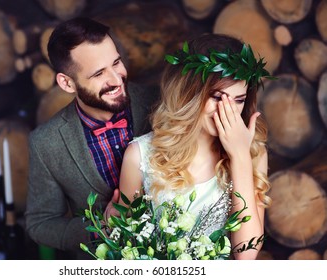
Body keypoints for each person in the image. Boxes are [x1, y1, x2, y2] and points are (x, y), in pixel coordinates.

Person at [117, 33, 273, 260]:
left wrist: (239, 156)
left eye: (238, 100)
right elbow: (126, 244)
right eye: (218, 97)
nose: (226, 110)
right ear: (190, 94)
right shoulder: (140, 155)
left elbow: (246, 255)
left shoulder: (254, 153)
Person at [25, 17, 158, 259]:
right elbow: (40, 224)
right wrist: (100, 227)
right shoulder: (45, 143)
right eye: (98, 74)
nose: (117, 80)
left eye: (116, 62)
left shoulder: (160, 101)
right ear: (67, 83)